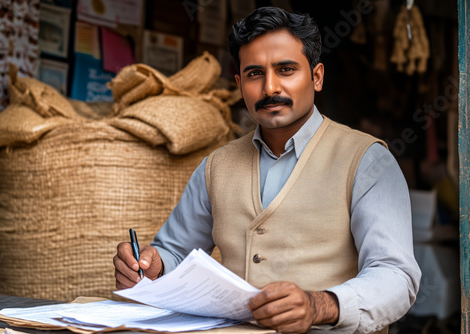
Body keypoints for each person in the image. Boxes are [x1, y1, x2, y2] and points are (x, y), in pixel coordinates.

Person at [114, 6, 421, 334]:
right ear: (239, 83)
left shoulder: (368, 162)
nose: (270, 88)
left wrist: (320, 305)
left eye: (286, 69)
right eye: (255, 73)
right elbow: (175, 251)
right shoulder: (217, 165)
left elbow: (396, 277)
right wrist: (151, 266)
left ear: (316, 77)